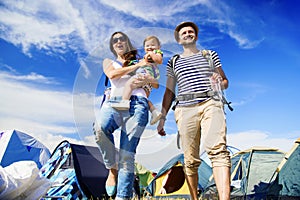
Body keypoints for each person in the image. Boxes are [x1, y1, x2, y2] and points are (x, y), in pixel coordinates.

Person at [157, 22, 231, 200]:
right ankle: (194, 198)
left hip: (210, 103)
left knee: (218, 150)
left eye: (191, 32)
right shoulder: (173, 62)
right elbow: (169, 91)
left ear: (196, 37)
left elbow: (225, 81)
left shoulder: (210, 55)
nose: (188, 34)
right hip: (184, 108)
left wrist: (219, 81)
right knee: (190, 160)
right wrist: (162, 117)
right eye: (184, 32)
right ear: (179, 39)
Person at [93, 31, 156, 199]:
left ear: (128, 43)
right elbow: (113, 75)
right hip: (114, 102)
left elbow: (151, 84)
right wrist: (136, 68)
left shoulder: (141, 60)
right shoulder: (109, 62)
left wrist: (146, 81)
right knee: (100, 129)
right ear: (113, 46)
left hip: (138, 103)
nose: (119, 41)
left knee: (127, 156)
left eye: (122, 39)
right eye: (115, 40)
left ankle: (123, 197)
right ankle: (112, 169)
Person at [111, 35, 163, 125]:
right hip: (146, 81)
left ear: (159, 47)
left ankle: (124, 102)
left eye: (153, 45)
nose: (150, 47)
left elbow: (159, 60)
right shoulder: (143, 58)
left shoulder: (155, 53)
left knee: (129, 85)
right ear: (144, 48)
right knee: (144, 97)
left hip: (144, 74)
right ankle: (154, 111)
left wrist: (151, 54)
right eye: (147, 46)